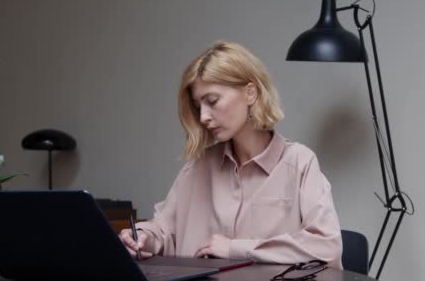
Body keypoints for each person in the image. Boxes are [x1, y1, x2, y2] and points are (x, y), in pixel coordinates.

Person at [120, 41, 342, 268]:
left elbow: (326, 246)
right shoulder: (199, 167)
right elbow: (164, 230)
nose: (204, 117)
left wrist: (237, 249)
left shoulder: (298, 163)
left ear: (250, 93)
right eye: (198, 107)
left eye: (212, 101)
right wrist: (142, 237)